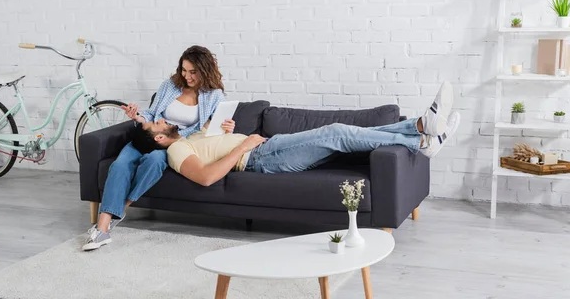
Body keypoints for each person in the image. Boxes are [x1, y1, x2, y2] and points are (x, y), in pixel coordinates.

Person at [132, 82, 460, 188]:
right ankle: (420, 137)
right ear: (159, 139)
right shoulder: (174, 153)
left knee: (346, 134)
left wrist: (228, 132)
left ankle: (420, 129)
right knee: (337, 133)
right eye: (155, 125)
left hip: (267, 147)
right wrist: (242, 145)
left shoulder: (191, 138)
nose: (160, 120)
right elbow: (205, 178)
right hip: (262, 159)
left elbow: (214, 149)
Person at [83, 45, 236, 251]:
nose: (187, 76)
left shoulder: (213, 95)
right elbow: (151, 112)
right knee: (120, 165)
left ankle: (119, 210)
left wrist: (229, 127)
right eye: (184, 70)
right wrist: (137, 116)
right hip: (148, 135)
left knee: (154, 162)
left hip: (172, 143)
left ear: (205, 70)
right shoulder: (170, 86)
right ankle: (102, 228)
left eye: (193, 72)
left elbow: (215, 126)